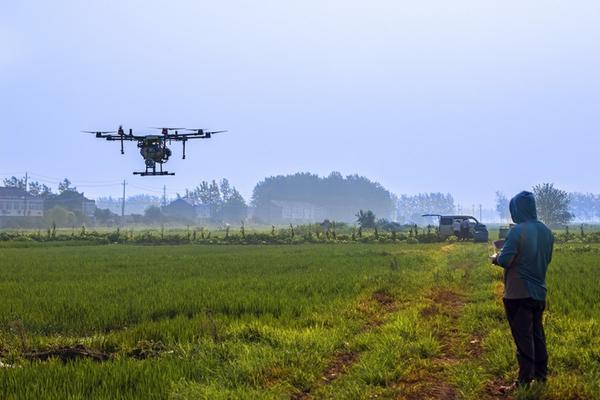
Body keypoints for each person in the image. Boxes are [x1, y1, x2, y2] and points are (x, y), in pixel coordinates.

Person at [492, 191, 554, 391]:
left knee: (523, 338)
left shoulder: (517, 231)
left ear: (517, 210)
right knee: (537, 334)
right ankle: (541, 375)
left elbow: (505, 260)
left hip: (518, 293)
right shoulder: (546, 231)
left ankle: (524, 382)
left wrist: (496, 257)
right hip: (539, 292)